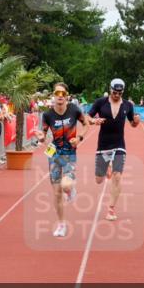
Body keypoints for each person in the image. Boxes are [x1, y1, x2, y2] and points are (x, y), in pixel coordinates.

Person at [37, 82, 89, 238]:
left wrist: (79, 138)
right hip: (54, 155)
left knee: (65, 184)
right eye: (57, 93)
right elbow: (43, 135)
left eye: (63, 94)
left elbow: (86, 124)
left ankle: (71, 189)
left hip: (70, 154)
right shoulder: (47, 115)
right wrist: (41, 137)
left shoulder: (74, 110)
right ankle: (61, 224)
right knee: (57, 193)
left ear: (67, 96)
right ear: (53, 95)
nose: (60, 96)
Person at [86, 78, 140, 222]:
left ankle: (111, 209)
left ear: (123, 92)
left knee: (117, 176)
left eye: (119, 92)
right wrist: (94, 121)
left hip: (119, 144)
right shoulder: (100, 102)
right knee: (98, 179)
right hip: (103, 144)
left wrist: (136, 121)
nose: (116, 95)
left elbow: (132, 123)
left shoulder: (128, 105)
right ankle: (106, 170)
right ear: (110, 90)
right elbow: (87, 117)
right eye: (114, 92)